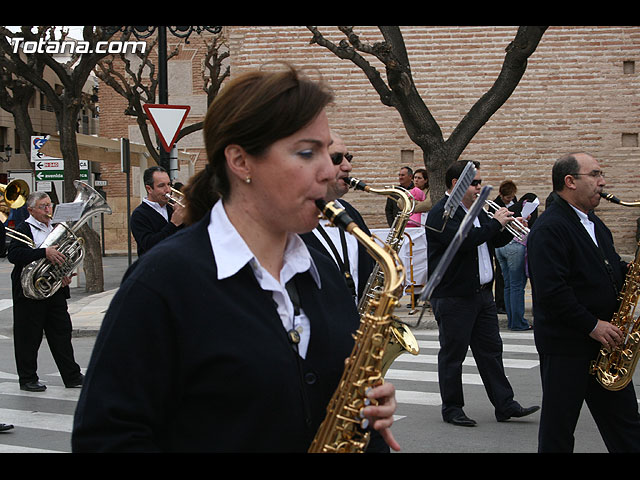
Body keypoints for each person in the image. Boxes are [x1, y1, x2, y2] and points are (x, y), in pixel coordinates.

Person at [72, 65, 399, 453]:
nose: (330, 170)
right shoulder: (163, 281)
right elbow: (106, 438)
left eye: (328, 151)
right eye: (308, 152)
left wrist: (366, 415)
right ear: (241, 162)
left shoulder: (320, 268)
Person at [527, 152, 640, 453]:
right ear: (570, 181)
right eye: (595, 175)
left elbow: (609, 267)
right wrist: (592, 325)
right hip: (567, 346)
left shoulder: (596, 225)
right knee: (558, 433)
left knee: (628, 427)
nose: (602, 182)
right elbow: (552, 292)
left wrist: (630, 272)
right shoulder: (549, 228)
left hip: (606, 346)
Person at [425, 160, 540, 427]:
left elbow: (491, 239)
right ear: (457, 184)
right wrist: (494, 224)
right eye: (475, 183)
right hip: (454, 295)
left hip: (482, 295)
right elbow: (463, 242)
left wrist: (509, 225)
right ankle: (452, 408)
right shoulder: (442, 212)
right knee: (453, 355)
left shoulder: (477, 211)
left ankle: (505, 404)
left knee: (491, 351)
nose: (480, 187)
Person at [7, 192, 84, 392]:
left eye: (49, 205)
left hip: (54, 291)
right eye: (43, 206)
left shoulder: (58, 229)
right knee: (28, 337)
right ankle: (28, 378)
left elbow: (64, 257)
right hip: (29, 293)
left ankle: (72, 376)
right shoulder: (24, 228)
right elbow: (14, 255)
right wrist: (44, 252)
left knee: (62, 333)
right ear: (31, 209)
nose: (48, 210)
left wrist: (64, 274)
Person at [300, 131, 375, 304]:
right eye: (337, 158)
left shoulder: (350, 212)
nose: (348, 167)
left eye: (348, 157)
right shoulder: (288, 222)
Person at [494, 182, 532, 331]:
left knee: (509, 285)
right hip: (514, 245)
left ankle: (512, 320)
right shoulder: (505, 206)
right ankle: (517, 322)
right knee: (517, 285)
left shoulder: (508, 206)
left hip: (502, 247)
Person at [130, 166, 185, 256]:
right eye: (161, 186)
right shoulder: (139, 215)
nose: (168, 190)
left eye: (169, 184)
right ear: (149, 189)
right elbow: (150, 245)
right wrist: (173, 224)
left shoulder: (171, 208)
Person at [493, 180, 518, 314]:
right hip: (501, 242)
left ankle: (506, 304)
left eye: (511, 197)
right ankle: (499, 303)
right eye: (507, 198)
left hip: (513, 241)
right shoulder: (495, 205)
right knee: (500, 274)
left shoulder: (515, 202)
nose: (510, 200)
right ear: (501, 195)